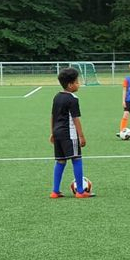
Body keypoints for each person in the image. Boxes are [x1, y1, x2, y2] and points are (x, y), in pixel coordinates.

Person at [50, 67, 93, 198]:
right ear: (70, 85)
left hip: (57, 133)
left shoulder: (57, 96)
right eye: (77, 82)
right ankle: (80, 191)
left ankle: (55, 191)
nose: (78, 84)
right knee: (77, 159)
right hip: (70, 134)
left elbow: (52, 115)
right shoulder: (73, 99)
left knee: (60, 161)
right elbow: (75, 119)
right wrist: (81, 136)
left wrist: (52, 132)